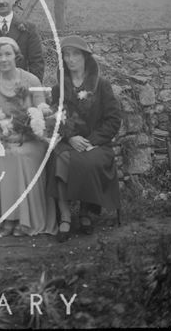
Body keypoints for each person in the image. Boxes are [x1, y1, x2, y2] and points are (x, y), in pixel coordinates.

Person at [46, 35, 122, 242]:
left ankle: (86, 212)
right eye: (66, 55)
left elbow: (113, 120)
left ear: (86, 57)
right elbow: (57, 118)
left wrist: (92, 141)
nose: (71, 59)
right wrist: (70, 138)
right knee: (59, 160)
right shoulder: (58, 88)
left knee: (87, 163)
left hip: (96, 144)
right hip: (69, 141)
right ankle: (66, 215)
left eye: (75, 54)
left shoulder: (101, 85)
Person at [0, 36, 57, 237]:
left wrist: (26, 133)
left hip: (33, 138)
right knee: (1, 154)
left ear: (17, 56)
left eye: (8, 54)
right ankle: (7, 218)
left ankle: (25, 220)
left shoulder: (31, 80)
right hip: (6, 138)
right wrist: (1, 135)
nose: (3, 59)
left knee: (20, 155)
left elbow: (42, 113)